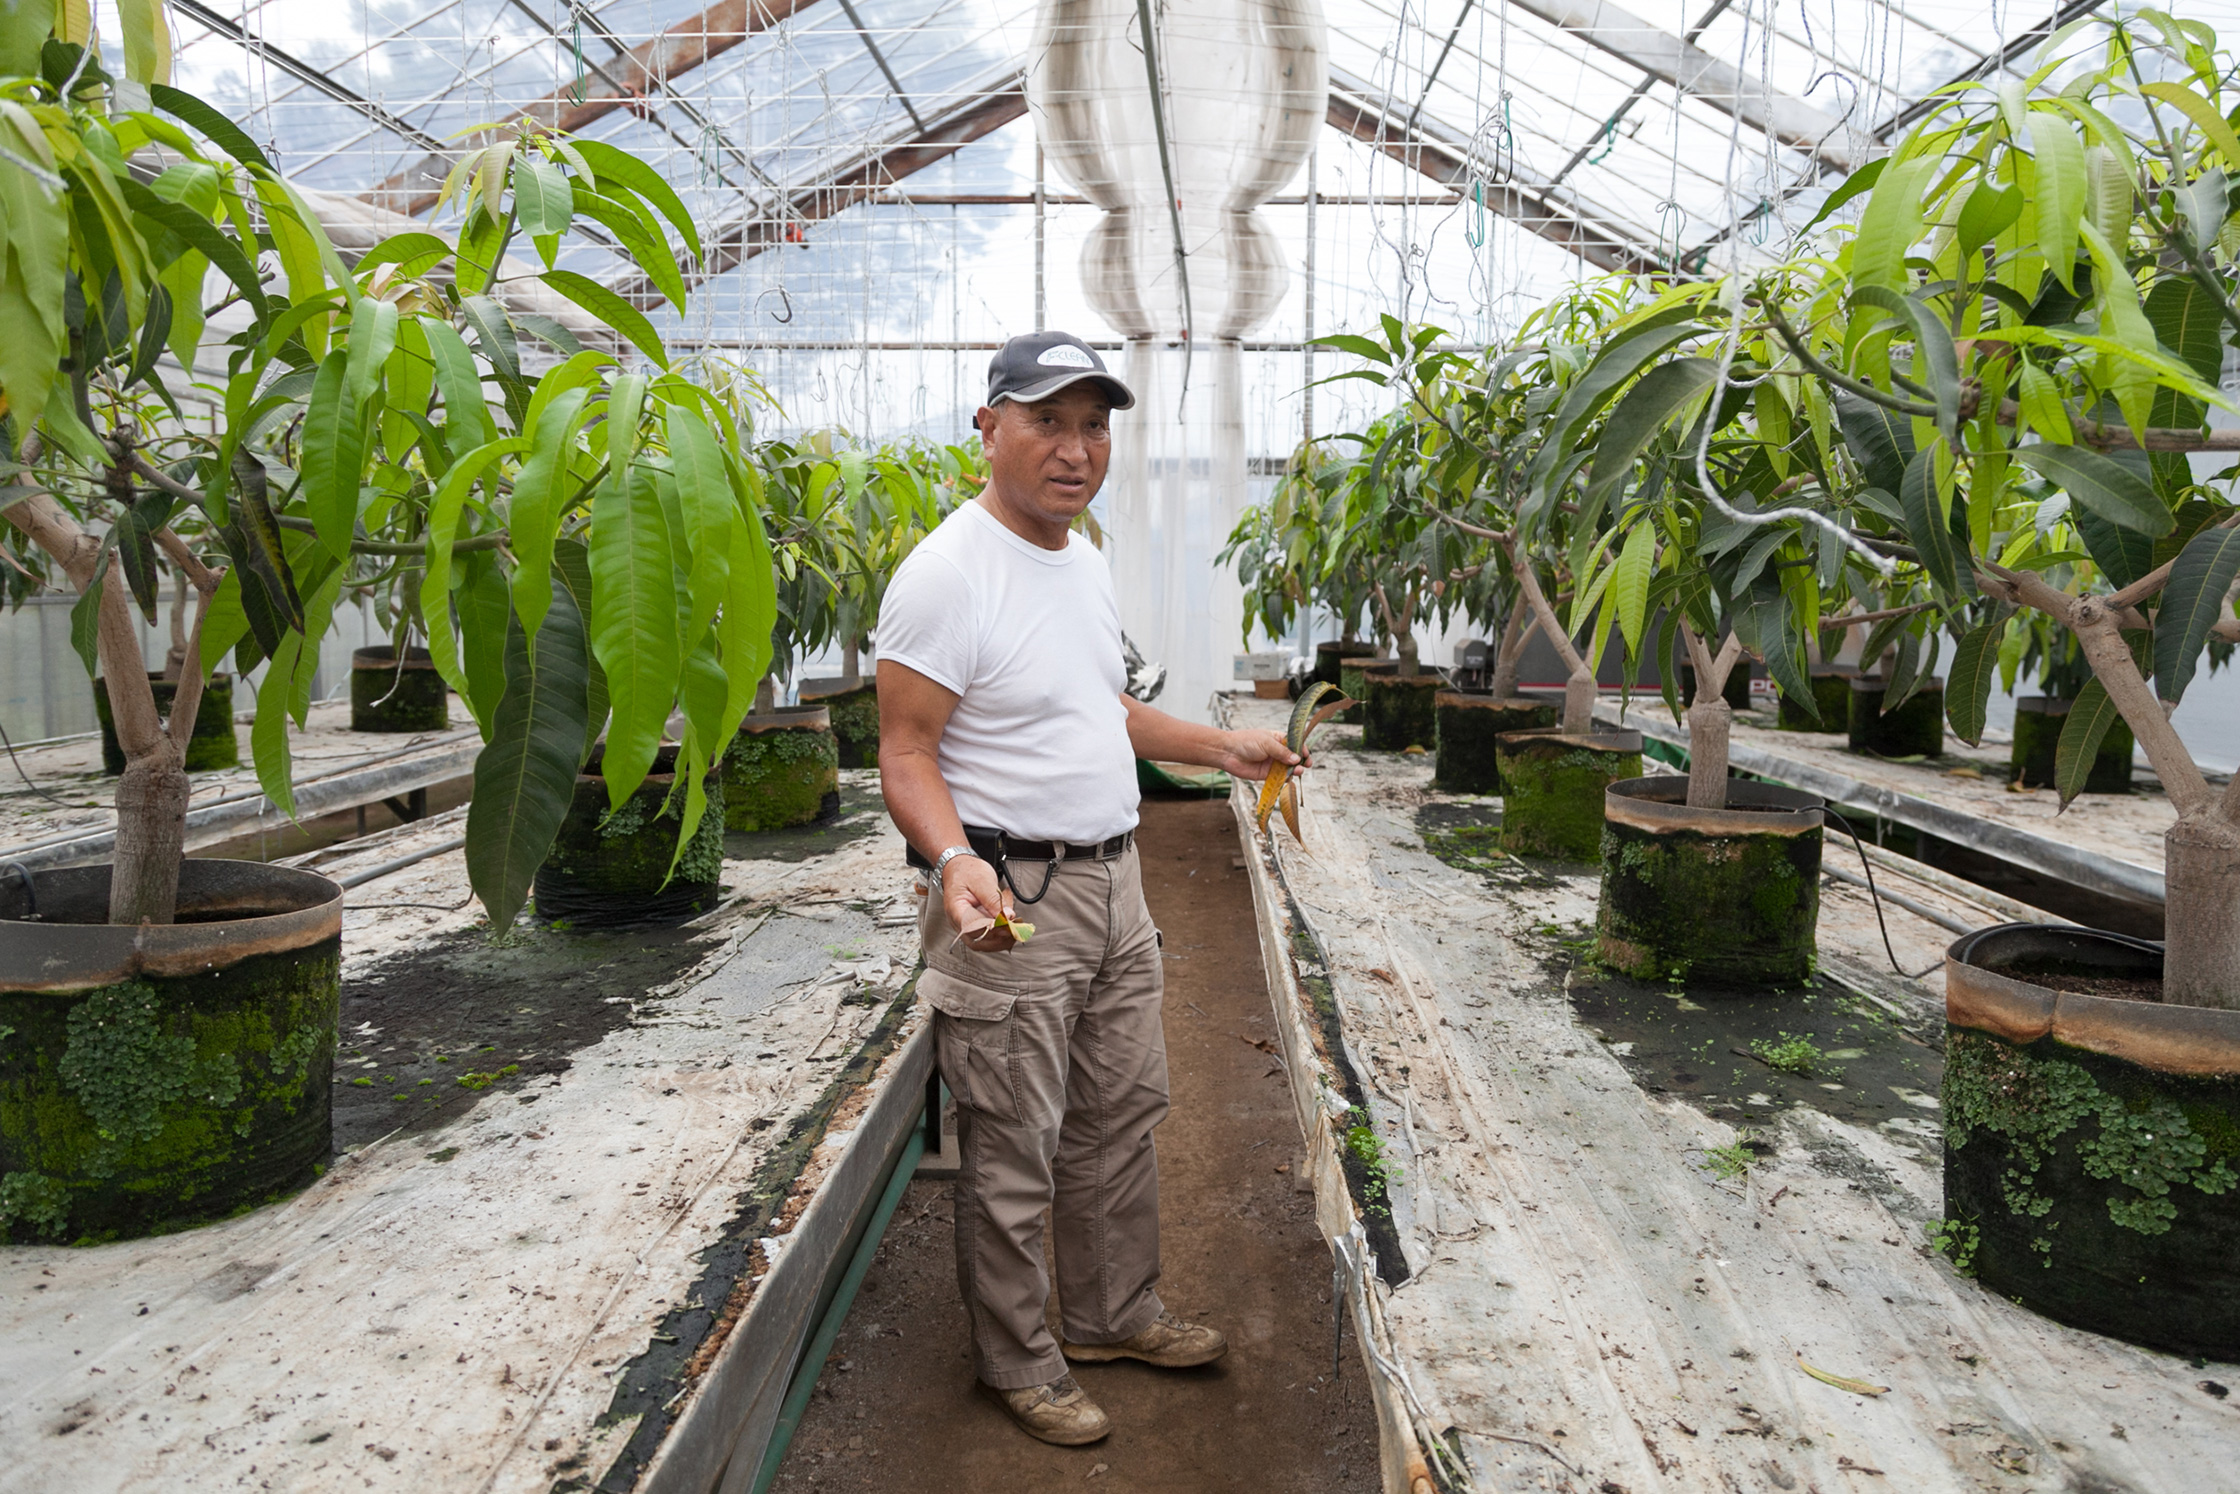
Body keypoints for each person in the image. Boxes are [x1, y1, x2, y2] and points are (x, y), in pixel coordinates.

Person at [875, 330, 1300, 1446]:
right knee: (1014, 1135)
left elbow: (1099, 711)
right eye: (1047, 421)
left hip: (1114, 880)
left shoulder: (1080, 559)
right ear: (987, 429)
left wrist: (1220, 747)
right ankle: (1018, 1360)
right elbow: (906, 753)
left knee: (1119, 1114)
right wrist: (952, 860)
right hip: (1010, 893)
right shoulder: (944, 575)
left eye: (1093, 426)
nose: (1075, 449)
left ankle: (1111, 1313)